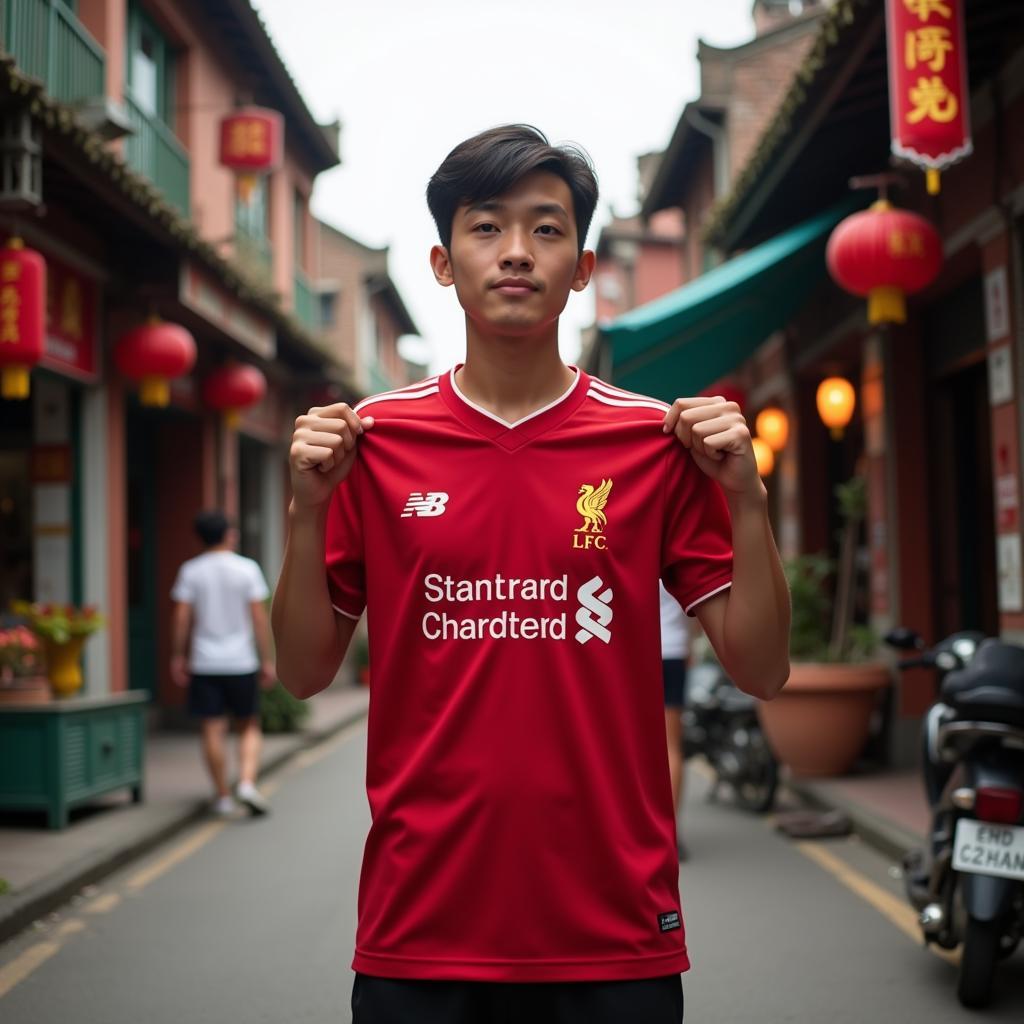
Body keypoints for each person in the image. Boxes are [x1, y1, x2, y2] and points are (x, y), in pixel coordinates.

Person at [273, 125, 790, 1024]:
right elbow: (303, 671)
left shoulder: (653, 444)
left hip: (614, 935)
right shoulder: (376, 444)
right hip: (420, 930)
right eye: (487, 228)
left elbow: (762, 669)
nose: (517, 252)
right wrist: (307, 510)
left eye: (547, 229)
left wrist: (748, 499)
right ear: (443, 262)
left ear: (582, 268)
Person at [171, 510, 275, 817]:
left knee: (211, 728)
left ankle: (222, 795)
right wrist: (266, 659)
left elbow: (181, 617)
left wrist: (178, 655)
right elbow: (258, 616)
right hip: (241, 661)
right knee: (249, 725)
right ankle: (246, 782)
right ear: (228, 534)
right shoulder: (247, 569)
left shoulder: (191, 570)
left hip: (205, 662)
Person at [660, 580, 690, 858]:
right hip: (673, 651)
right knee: (671, 745)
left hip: (632, 652)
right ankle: (671, 833)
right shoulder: (672, 556)